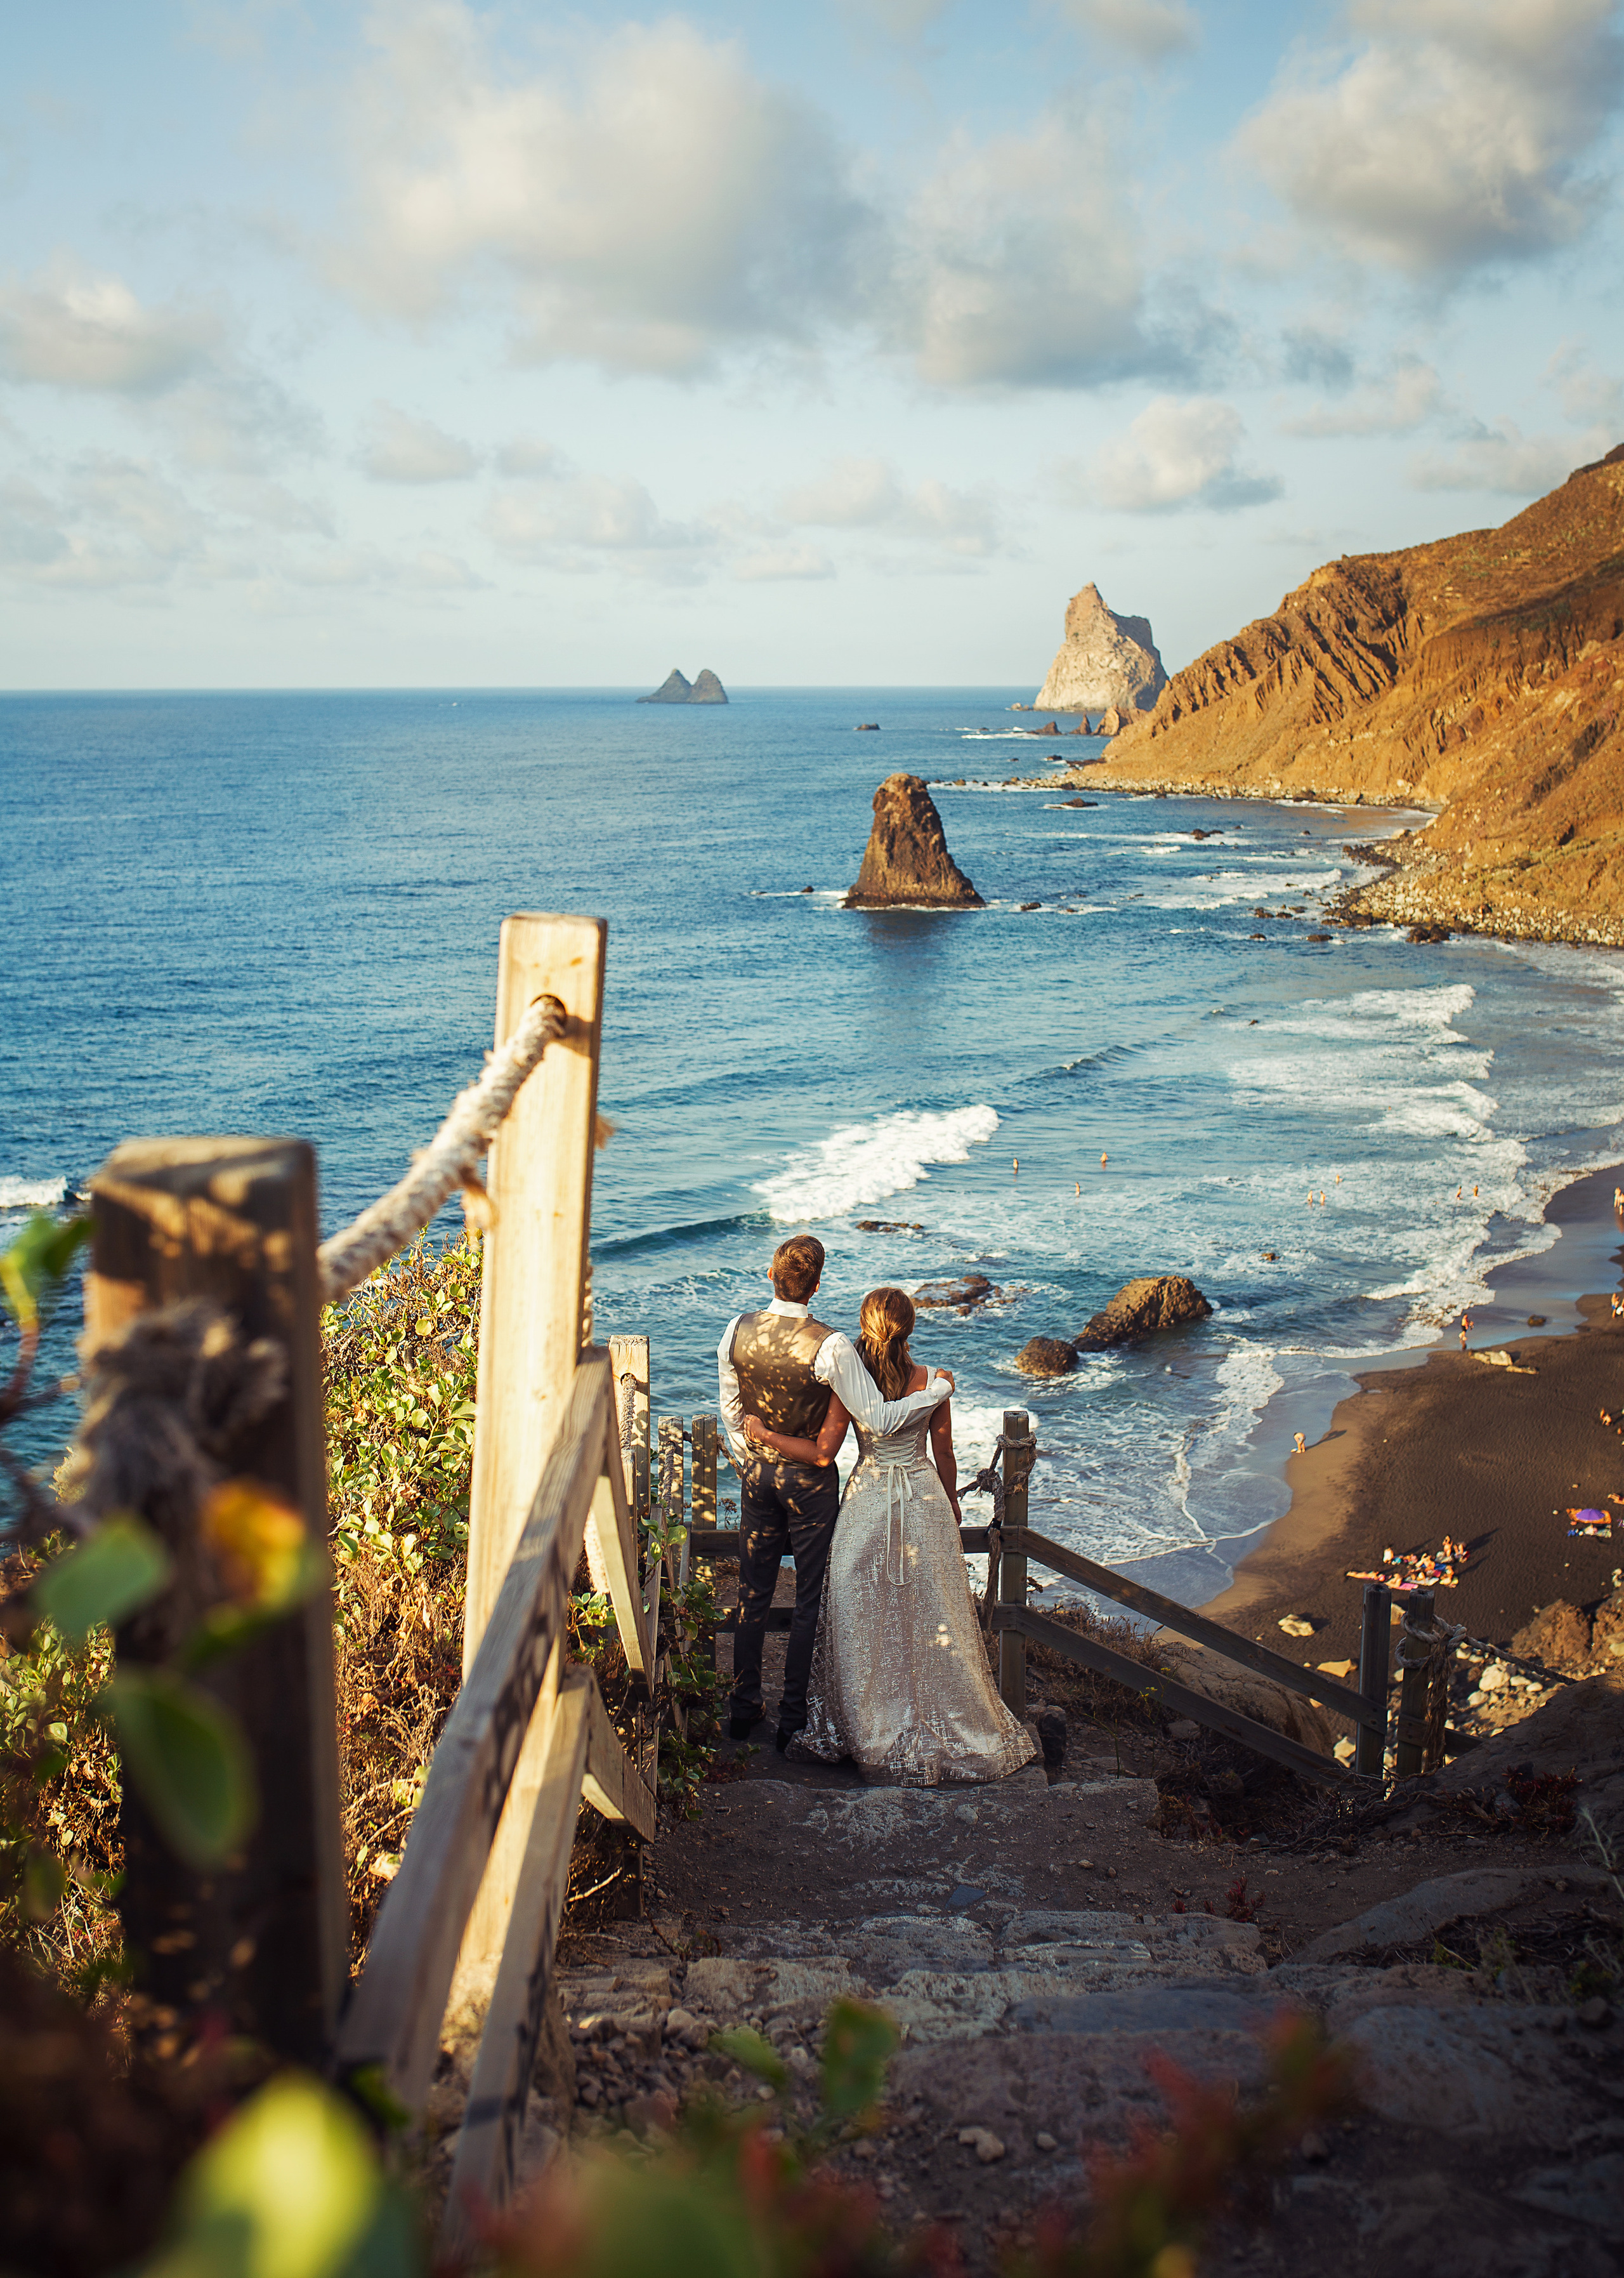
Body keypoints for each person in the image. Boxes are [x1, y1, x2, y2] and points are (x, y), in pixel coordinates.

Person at [742, 1285, 1036, 1787]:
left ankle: (868, 1725)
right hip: (921, 1497)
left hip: (868, 1498)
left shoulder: (851, 1384)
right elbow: (943, 1454)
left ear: (866, 1326)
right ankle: (950, 1721)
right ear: (911, 1328)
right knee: (933, 1613)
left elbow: (827, 1448)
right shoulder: (930, 1380)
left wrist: (766, 1436)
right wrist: (951, 1502)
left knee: (862, 1618)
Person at [717, 1236, 953, 1752]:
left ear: (770, 1275)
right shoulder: (831, 1345)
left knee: (751, 1596)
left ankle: (742, 1709)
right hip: (810, 1489)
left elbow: (733, 1413)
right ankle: (792, 1719)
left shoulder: (736, 1329)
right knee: (808, 1600)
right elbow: (877, 1417)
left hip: (757, 1478)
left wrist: (754, 1451)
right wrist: (936, 1391)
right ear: (818, 1285)